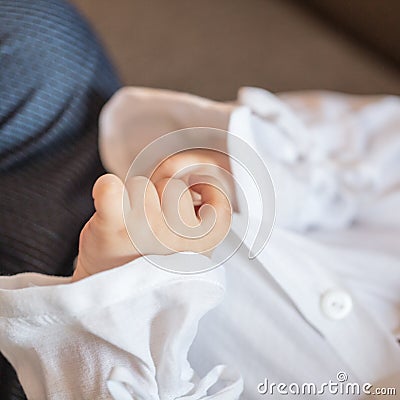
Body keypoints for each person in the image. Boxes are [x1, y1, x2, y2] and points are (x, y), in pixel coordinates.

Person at [1, 1, 400, 400]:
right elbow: (371, 147)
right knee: (38, 33)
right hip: (108, 165)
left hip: (59, 347)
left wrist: (123, 292)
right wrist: (242, 171)